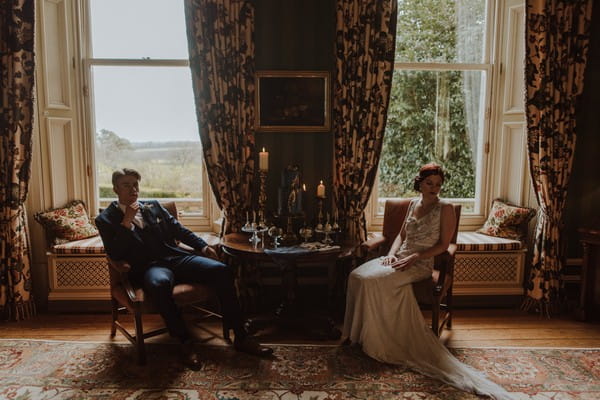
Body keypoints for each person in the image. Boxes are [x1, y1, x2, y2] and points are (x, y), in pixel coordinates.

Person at [342, 163, 514, 399]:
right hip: (399, 257)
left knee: (373, 282)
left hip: (420, 263)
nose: (434, 188)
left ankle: (382, 340)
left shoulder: (446, 208)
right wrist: (392, 254)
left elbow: (444, 245)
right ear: (420, 184)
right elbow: (402, 235)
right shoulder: (413, 203)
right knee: (356, 276)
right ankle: (358, 334)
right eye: (429, 183)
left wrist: (416, 256)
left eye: (438, 184)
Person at [95, 168, 273, 369]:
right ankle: (184, 342)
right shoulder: (106, 219)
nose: (132, 189)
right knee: (160, 284)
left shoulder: (152, 206)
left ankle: (241, 336)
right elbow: (115, 253)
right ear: (115, 189)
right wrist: (126, 221)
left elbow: (179, 230)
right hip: (149, 267)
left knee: (221, 270)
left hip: (175, 257)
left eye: (135, 184)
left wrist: (202, 246)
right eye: (126, 185)